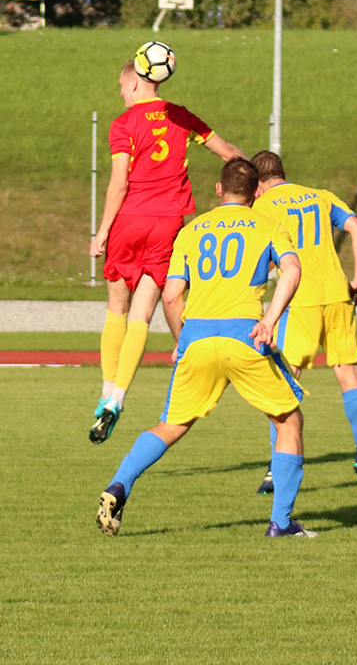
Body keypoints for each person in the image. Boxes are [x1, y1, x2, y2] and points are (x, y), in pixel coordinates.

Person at [96, 159, 314, 538]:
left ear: (218, 189)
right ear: (257, 192)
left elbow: (171, 296)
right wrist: (270, 320)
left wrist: (181, 340)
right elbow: (292, 270)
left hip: (196, 338)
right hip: (244, 336)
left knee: (173, 424)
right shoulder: (268, 225)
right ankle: (281, 523)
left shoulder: (191, 231)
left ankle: (119, 484)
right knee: (288, 420)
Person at [88, 56, 245, 443]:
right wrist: (260, 177)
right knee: (142, 313)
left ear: (135, 82)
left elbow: (119, 183)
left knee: (117, 308)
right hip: (169, 224)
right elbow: (228, 152)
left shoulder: (123, 124)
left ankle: (106, 393)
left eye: (122, 86)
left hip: (130, 219)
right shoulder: (181, 116)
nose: (121, 93)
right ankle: (118, 399)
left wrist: (102, 231)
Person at [249, 150, 357, 488]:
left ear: (258, 184)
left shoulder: (264, 206)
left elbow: (263, 255)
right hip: (337, 294)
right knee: (350, 378)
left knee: (284, 383)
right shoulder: (320, 196)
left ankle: (276, 468)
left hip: (300, 300)